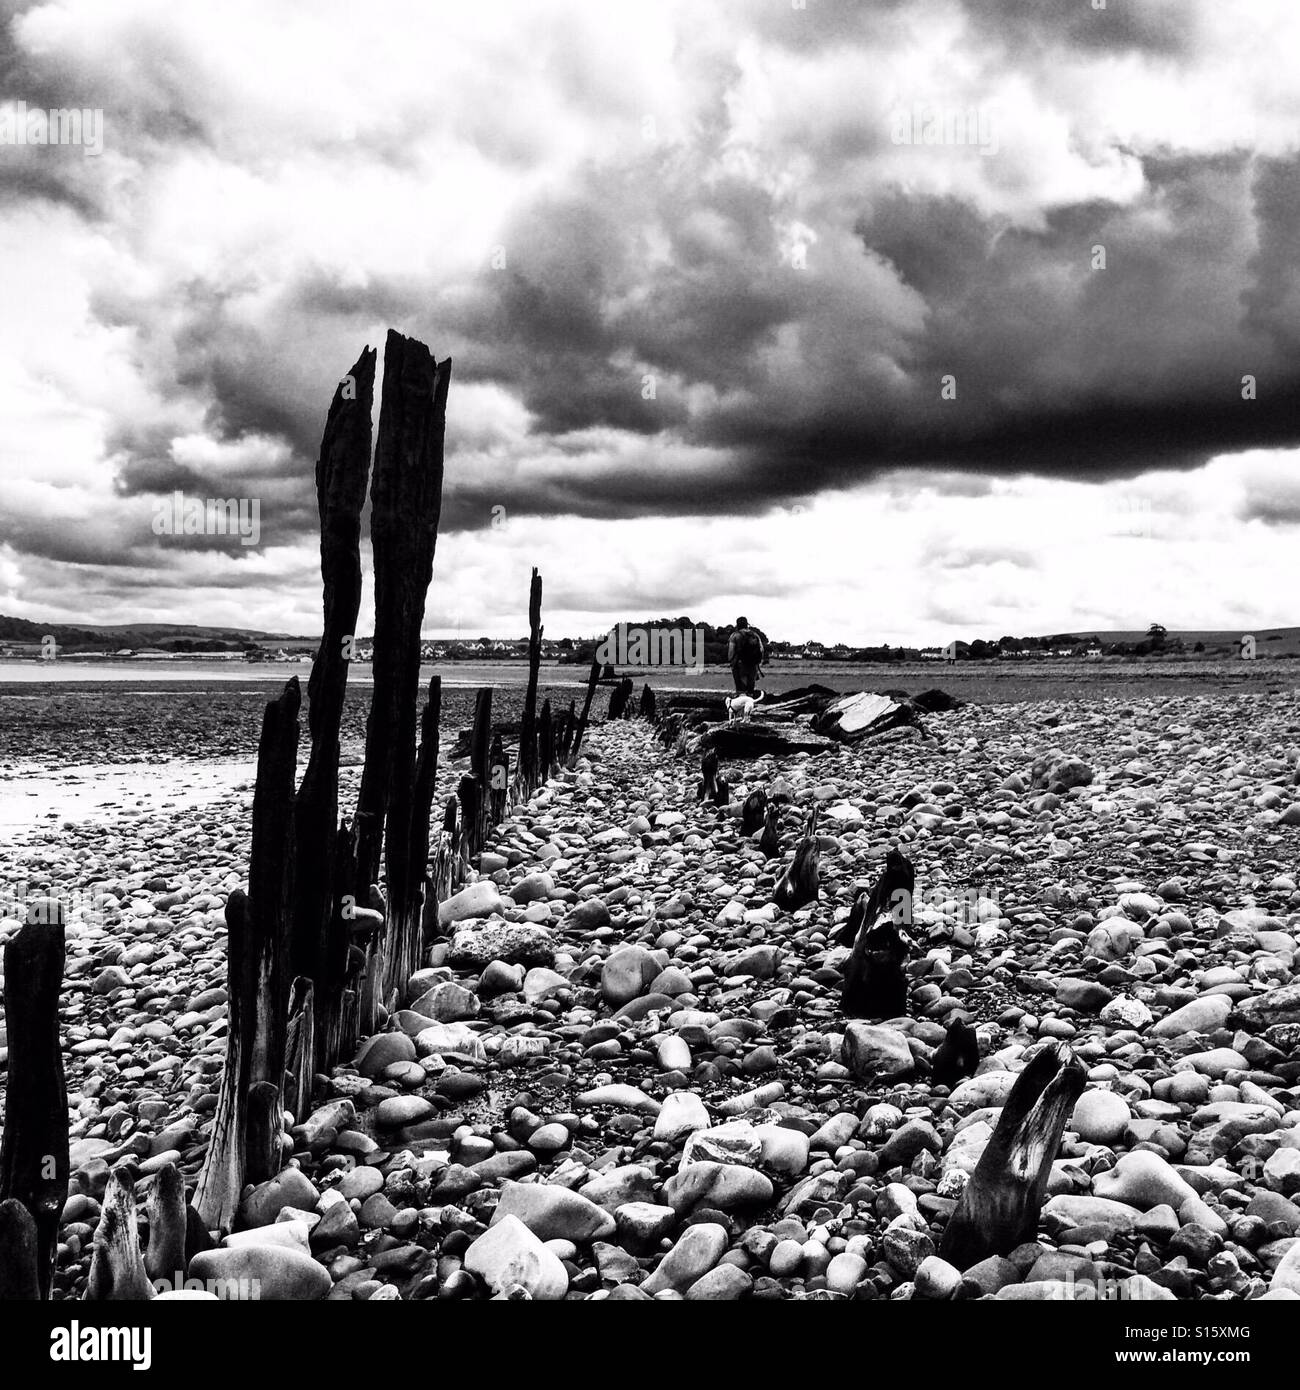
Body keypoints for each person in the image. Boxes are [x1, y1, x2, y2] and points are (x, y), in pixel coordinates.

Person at [727, 616, 766, 694]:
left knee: (741, 689)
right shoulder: (755, 635)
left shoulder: (734, 635)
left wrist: (731, 661)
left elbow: (731, 653)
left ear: (737, 625)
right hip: (753, 665)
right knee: (750, 689)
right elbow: (761, 650)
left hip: (740, 665)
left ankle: (742, 703)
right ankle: (750, 701)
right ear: (747, 624)